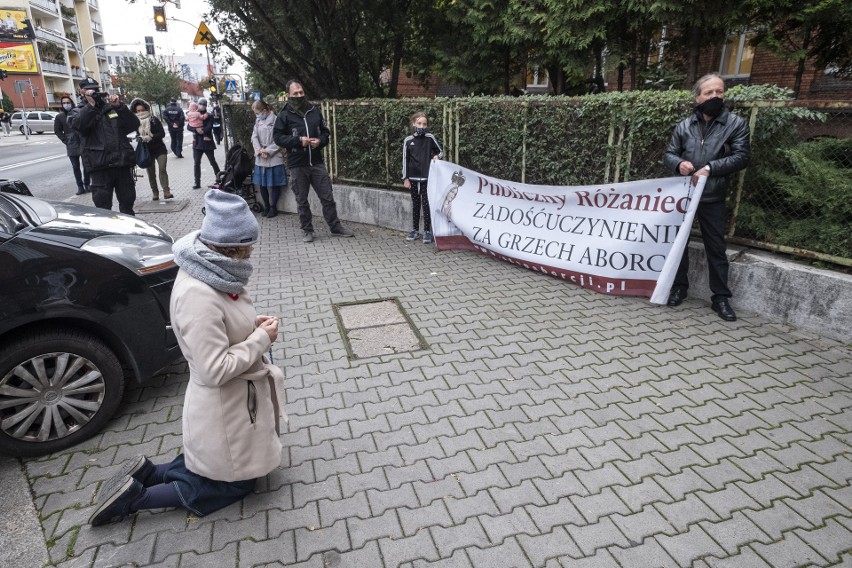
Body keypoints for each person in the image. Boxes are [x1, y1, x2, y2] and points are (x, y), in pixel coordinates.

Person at [88, 189, 286, 527]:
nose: (251, 252)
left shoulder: (212, 270)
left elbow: (222, 327)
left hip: (231, 404)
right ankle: (135, 499)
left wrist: (251, 326)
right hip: (224, 405)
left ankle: (151, 472)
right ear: (231, 246)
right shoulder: (200, 294)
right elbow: (213, 369)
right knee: (230, 483)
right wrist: (259, 339)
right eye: (248, 245)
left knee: (215, 465)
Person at [663, 72, 750, 321]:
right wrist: (678, 164)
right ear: (698, 96)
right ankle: (679, 288)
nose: (715, 96)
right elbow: (669, 154)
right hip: (684, 197)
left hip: (713, 196)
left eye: (719, 92)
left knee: (716, 249)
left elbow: (742, 156)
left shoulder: (736, 124)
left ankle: (720, 298)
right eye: (709, 92)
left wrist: (710, 168)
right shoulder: (684, 125)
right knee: (679, 246)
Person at [272, 79, 353, 242]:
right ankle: (307, 230)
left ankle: (335, 227)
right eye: (295, 93)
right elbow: (278, 138)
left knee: (327, 196)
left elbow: (325, 132)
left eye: (301, 92)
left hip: (316, 162)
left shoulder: (314, 111)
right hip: (297, 164)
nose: (299, 95)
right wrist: (298, 141)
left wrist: (320, 141)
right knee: (302, 200)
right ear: (289, 95)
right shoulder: (284, 115)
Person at [68, 77, 140, 216]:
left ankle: (130, 235)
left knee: (127, 206)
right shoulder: (79, 111)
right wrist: (91, 107)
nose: (94, 92)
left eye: (96, 90)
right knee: (103, 210)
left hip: (122, 164)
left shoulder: (112, 108)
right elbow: (79, 126)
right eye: (90, 90)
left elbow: (133, 125)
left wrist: (120, 107)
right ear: (81, 92)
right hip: (100, 167)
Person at [402, 111, 442, 244]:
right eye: (419, 123)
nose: (422, 126)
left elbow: (439, 151)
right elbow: (405, 160)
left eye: (424, 124)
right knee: (416, 204)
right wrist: (405, 178)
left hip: (427, 178)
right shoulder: (408, 141)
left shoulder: (430, 138)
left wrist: (437, 156)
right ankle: (414, 230)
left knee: (426, 204)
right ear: (414, 124)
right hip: (413, 178)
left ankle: (427, 231)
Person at [131, 98, 173, 201]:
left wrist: (151, 137)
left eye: (142, 110)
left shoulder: (154, 119)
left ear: (146, 109)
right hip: (147, 151)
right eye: (138, 111)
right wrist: (140, 138)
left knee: (162, 168)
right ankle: (155, 192)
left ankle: (166, 191)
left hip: (159, 148)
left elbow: (162, 133)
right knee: (151, 173)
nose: (141, 112)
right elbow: (137, 135)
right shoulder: (136, 123)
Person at [251, 99, 286, 218]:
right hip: (261, 156)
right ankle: (266, 206)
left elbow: (279, 139)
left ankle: (273, 207)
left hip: (273, 155)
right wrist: (260, 150)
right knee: (262, 184)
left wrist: (268, 151)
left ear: (265, 111)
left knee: (274, 184)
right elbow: (254, 137)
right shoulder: (257, 121)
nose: (257, 116)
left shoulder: (276, 120)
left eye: (258, 113)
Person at [54, 95, 90, 195]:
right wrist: (65, 140)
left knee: (86, 165)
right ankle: (80, 186)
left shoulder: (77, 112)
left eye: (68, 102)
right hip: (71, 143)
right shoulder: (60, 117)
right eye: (64, 103)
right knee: (75, 166)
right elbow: (57, 130)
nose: (66, 104)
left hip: (82, 141)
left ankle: (87, 184)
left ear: (72, 102)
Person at [187, 98, 220, 189]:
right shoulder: (193, 114)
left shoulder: (209, 115)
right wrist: (195, 129)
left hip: (207, 142)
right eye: (200, 104)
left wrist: (202, 131)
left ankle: (219, 179)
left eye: (203, 104)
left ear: (205, 105)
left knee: (212, 161)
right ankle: (197, 183)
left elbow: (209, 127)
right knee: (196, 163)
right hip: (196, 143)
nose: (201, 106)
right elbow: (188, 126)